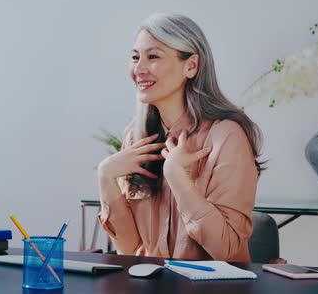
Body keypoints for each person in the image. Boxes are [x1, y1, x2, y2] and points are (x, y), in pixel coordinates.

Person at [97, 13, 264, 263]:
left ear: (191, 66)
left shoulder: (226, 136)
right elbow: (130, 251)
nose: (139, 69)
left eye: (153, 57)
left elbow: (227, 252)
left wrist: (178, 178)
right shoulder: (136, 138)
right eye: (135, 58)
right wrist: (106, 178)